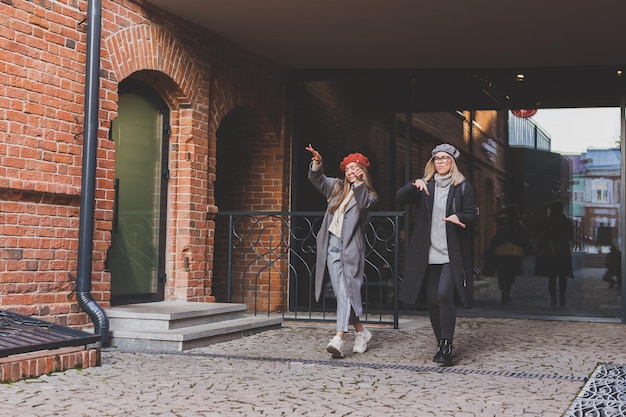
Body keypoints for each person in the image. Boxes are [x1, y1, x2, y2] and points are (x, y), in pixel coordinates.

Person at [396, 143, 476, 366]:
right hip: (428, 252)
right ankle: (441, 341)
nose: (441, 162)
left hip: (451, 253)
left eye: (445, 158)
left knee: (443, 295)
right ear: (432, 163)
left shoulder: (462, 187)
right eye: (437, 159)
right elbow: (399, 197)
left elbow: (471, 215)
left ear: (452, 162)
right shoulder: (425, 187)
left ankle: (447, 345)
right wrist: (413, 184)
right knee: (431, 301)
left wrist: (458, 217)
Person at [305, 144, 378, 358]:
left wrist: (359, 184)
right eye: (347, 169)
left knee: (345, 292)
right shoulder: (336, 187)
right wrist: (317, 162)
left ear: (363, 171)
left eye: (355, 168)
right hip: (331, 247)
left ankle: (338, 338)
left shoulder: (369, 195)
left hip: (351, 250)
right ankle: (361, 332)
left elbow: (364, 203)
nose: (350, 172)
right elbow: (317, 180)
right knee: (341, 294)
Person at [534, 201, 573, 306]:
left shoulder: (548, 221)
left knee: (552, 276)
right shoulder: (566, 221)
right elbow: (570, 236)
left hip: (551, 251)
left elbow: (539, 232)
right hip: (563, 251)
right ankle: (562, 298)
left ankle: (553, 298)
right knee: (563, 276)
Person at [488, 204, 527, 305]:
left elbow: (495, 216)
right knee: (510, 273)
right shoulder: (519, 224)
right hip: (514, 251)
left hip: (501, 250)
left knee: (502, 272)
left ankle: (503, 291)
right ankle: (507, 291)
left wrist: (502, 209)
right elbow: (522, 238)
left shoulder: (502, 221)